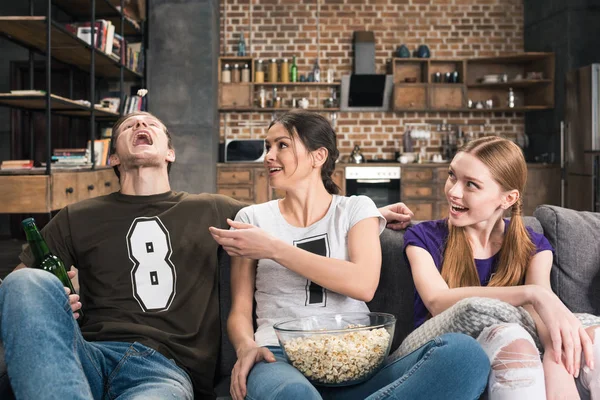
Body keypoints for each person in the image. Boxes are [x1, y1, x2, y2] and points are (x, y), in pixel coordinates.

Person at [209, 110, 490, 400]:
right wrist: (245, 347)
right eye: (267, 146)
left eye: (282, 145)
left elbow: (362, 283)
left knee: (464, 355)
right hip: (280, 359)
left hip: (357, 359)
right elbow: (240, 309)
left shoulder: (356, 210)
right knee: (294, 395)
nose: (268, 155)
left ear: (318, 156)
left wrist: (274, 248)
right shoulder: (253, 218)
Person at [0, 111, 245, 399]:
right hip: (86, 355)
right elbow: (17, 288)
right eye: (129, 126)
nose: (140, 124)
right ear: (113, 157)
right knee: (26, 282)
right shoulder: (78, 216)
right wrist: (51, 300)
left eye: (151, 123)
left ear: (170, 153)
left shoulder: (213, 209)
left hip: (164, 370)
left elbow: (287, 223)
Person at [394, 135, 600, 399]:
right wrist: (531, 294)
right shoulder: (423, 237)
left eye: (471, 184)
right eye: (452, 176)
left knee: (593, 340)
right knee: (512, 335)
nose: (454, 191)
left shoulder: (534, 246)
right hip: (441, 352)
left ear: (508, 198)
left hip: (524, 339)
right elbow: (437, 301)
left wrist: (554, 355)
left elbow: (542, 314)